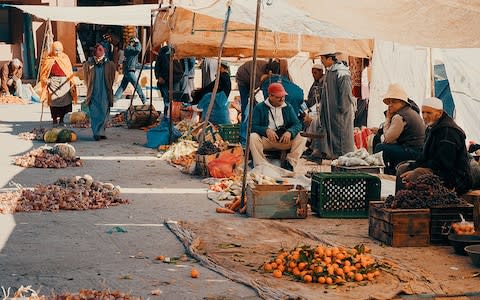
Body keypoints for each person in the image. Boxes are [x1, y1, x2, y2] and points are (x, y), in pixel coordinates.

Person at [397, 97, 472, 195]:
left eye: (429, 113)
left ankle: (416, 206)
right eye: (423, 112)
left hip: (456, 178)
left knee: (417, 174)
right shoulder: (431, 128)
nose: (424, 116)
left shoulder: (448, 132)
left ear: (439, 113)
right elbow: (424, 157)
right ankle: (399, 202)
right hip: (439, 170)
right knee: (403, 168)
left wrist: (415, 170)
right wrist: (412, 166)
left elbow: (444, 164)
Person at [250, 83, 307, 171]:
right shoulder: (259, 107)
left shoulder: (287, 107)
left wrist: (290, 132)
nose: (282, 99)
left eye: (283, 96)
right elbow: (253, 126)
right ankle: (261, 165)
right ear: (270, 96)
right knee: (253, 137)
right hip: (267, 140)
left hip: (284, 140)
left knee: (302, 138)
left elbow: (297, 124)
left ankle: (290, 163)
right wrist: (266, 130)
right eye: (278, 97)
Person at [374, 83, 425, 175]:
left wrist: (388, 119)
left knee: (380, 147)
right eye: (389, 102)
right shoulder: (411, 112)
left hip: (413, 151)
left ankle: (384, 174)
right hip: (419, 149)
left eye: (393, 102)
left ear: (402, 102)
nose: (390, 105)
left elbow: (387, 139)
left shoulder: (399, 116)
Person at [317, 52, 356, 159]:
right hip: (332, 113)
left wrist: (342, 110)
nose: (322, 61)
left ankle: (343, 159)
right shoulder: (331, 71)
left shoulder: (342, 73)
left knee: (341, 139)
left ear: (329, 58)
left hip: (340, 114)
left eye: (323, 59)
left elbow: (345, 94)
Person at [39, 41, 78, 125]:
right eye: (56, 50)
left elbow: (69, 70)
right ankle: (54, 118)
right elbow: (44, 71)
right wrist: (46, 80)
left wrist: (71, 82)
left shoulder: (65, 57)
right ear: (53, 49)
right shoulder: (49, 58)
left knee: (65, 101)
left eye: (59, 50)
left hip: (65, 82)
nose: (58, 52)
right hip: (53, 82)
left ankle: (62, 118)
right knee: (53, 101)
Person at [83, 44, 116, 141]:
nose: (101, 51)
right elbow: (86, 78)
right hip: (94, 91)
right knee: (94, 112)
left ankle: (102, 131)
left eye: (102, 50)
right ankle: (96, 133)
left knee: (104, 110)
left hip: (105, 91)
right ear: (95, 52)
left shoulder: (109, 64)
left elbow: (112, 77)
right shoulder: (88, 64)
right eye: (99, 49)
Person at [113, 36, 146, 104]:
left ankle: (115, 99)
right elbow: (138, 49)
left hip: (127, 70)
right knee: (137, 86)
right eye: (134, 43)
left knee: (122, 86)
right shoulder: (130, 49)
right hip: (130, 70)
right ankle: (144, 100)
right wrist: (138, 42)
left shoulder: (128, 49)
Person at [154, 45, 184, 114]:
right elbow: (157, 65)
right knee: (167, 99)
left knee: (175, 99)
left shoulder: (179, 49)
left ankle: (173, 114)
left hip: (176, 78)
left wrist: (181, 75)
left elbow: (183, 65)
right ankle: (166, 114)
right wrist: (158, 76)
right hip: (164, 79)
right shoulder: (163, 50)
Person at [303, 64, 324, 158]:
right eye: (312, 73)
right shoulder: (315, 83)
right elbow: (311, 98)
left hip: (320, 110)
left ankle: (311, 144)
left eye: (315, 73)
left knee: (313, 121)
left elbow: (321, 100)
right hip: (313, 109)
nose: (313, 75)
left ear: (321, 72)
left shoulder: (323, 83)